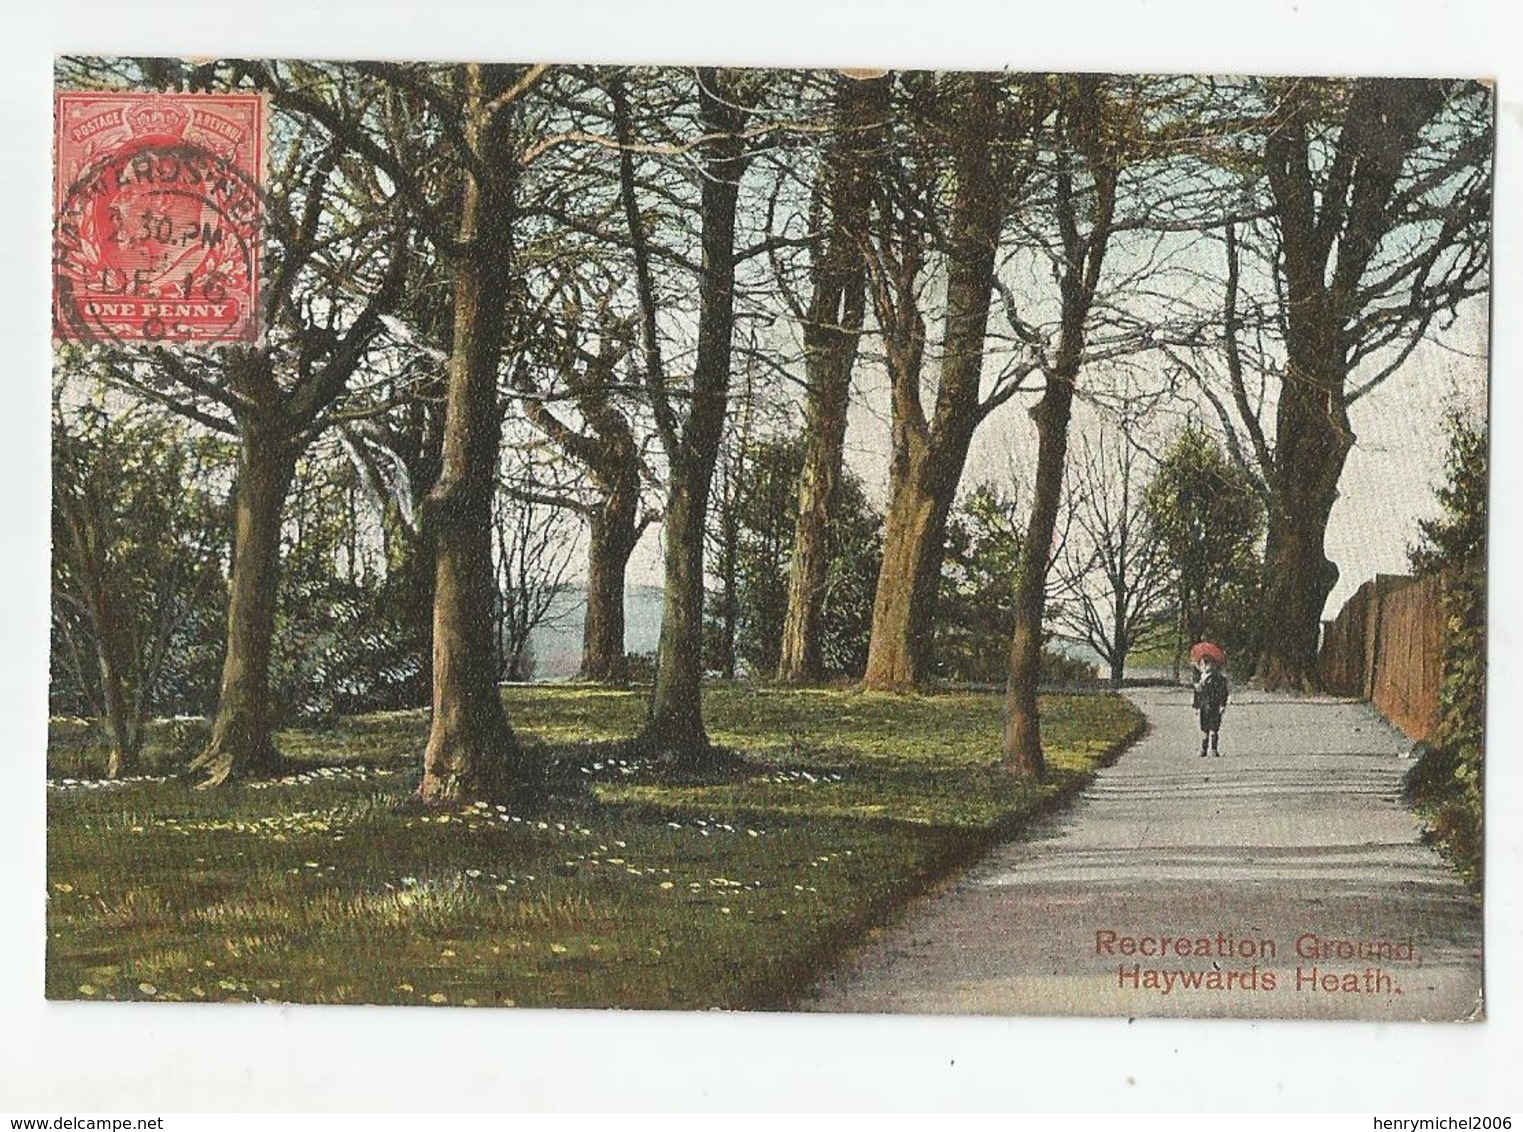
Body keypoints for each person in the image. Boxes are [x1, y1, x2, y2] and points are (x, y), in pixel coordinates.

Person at [1192, 658, 1229, 757]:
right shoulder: (1200, 679)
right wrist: (1196, 705)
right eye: (1202, 664)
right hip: (1203, 706)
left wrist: (1222, 704)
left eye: (1206, 664)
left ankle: (1213, 749)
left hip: (1214, 705)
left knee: (1214, 728)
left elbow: (1223, 692)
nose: (1204, 666)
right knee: (1204, 728)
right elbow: (1197, 695)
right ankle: (1203, 749)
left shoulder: (1218, 678)